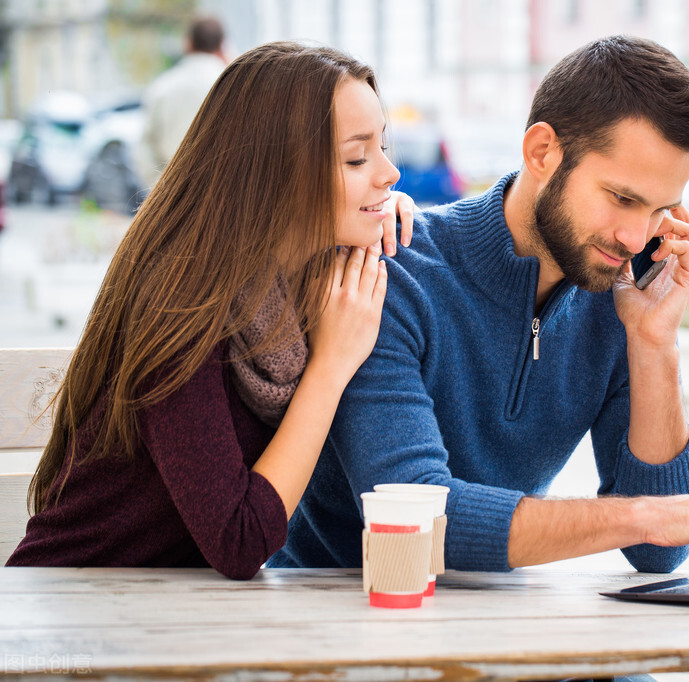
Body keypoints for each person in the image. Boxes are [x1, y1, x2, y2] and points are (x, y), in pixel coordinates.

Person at [270, 35, 689, 574]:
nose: (635, 237)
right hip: (343, 617)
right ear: (541, 152)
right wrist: (646, 516)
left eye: (660, 209)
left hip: (496, 624)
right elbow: (419, 516)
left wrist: (654, 342)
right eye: (622, 198)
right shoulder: (387, 273)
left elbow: (660, 553)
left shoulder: (617, 295)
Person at [6, 42, 415, 579]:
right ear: (276, 173)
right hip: (80, 605)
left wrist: (379, 219)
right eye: (357, 156)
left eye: (382, 147)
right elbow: (239, 540)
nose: (390, 173)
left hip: (175, 614)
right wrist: (331, 366)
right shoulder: (183, 305)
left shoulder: (296, 279)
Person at [136, 15, 228, 187]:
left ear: (187, 44)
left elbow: (146, 148)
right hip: (222, 190)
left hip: (170, 189)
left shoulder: (162, 86)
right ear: (223, 45)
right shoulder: (233, 85)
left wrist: (159, 189)